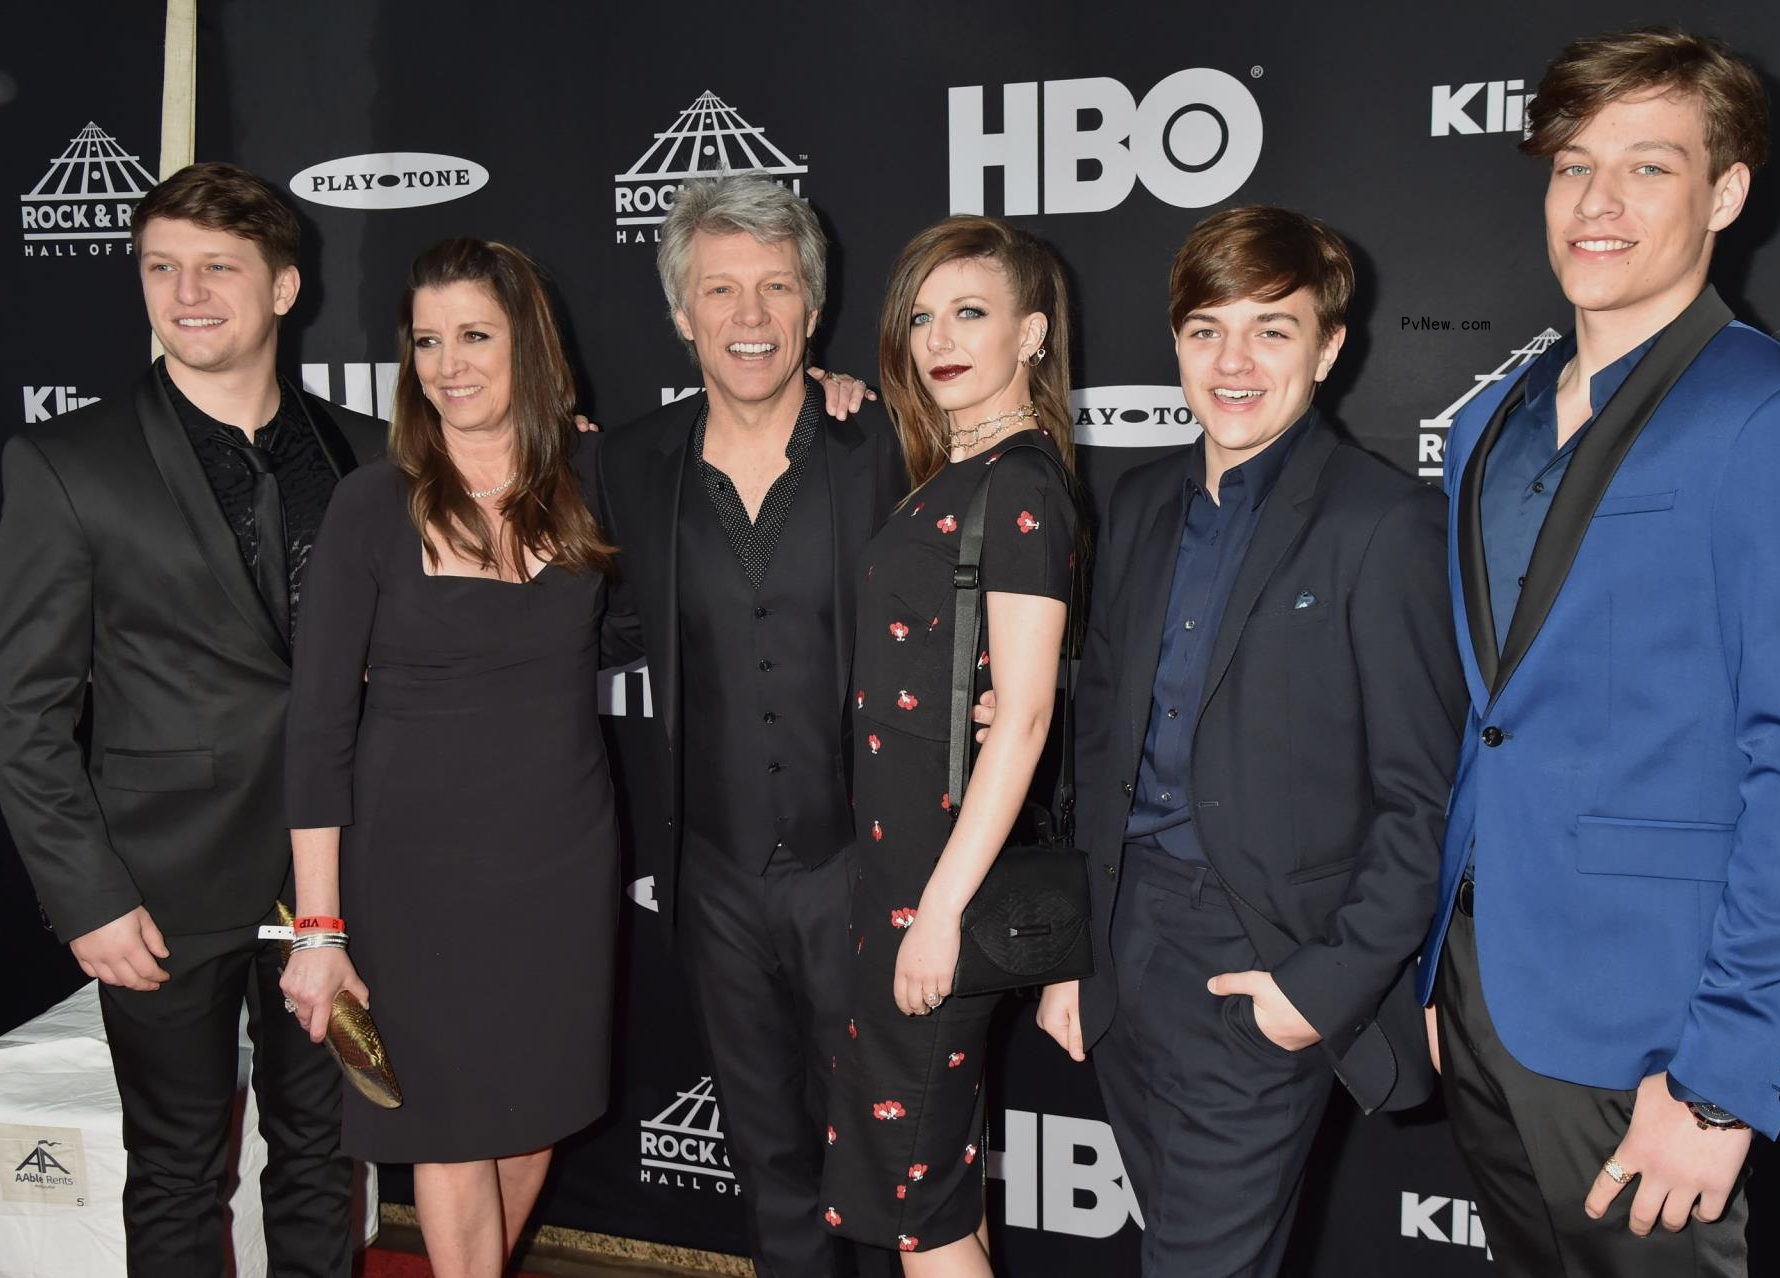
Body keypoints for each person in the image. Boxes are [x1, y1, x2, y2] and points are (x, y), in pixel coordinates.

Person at [1416, 27, 1780, 1276]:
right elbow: (1496, 720)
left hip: (1654, 1034)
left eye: (1650, 168)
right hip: (1481, 990)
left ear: (1726, 193)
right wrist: (1439, 970)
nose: (1599, 203)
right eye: (1574, 167)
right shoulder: (1487, 421)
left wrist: (1727, 1082)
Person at [1037, 206, 1465, 1277]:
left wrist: (1315, 991)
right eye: (1206, 330)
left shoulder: (1383, 523)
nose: (1233, 362)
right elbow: (1095, 749)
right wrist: (1069, 952)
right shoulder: (1132, 505)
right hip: (1123, 954)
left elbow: (1427, 803)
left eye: (1272, 330)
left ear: (1328, 347)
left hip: (1260, 961)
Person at [0, 162, 382, 1277]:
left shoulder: (376, 453)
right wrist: (90, 898)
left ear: (285, 287)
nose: (186, 293)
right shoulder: (68, 462)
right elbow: (21, 706)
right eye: (162, 267)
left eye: (217, 268)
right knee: (173, 1169)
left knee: (322, 1153)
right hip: (159, 888)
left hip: (336, 883)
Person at [280, 237, 621, 1277]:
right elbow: (318, 724)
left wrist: (832, 393)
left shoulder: (594, 483)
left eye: (474, 335)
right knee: (444, 1128)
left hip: (562, 864)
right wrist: (320, 928)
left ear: (530, 346)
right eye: (427, 341)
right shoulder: (372, 507)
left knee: (529, 1121)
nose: (447, 363)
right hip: (413, 876)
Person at [593, 174, 903, 1278]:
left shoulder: (887, 447)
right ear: (682, 315)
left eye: (777, 287)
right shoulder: (624, 466)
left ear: (813, 309)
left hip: (861, 872)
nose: (751, 316)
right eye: (721, 291)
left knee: (896, 1158)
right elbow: (578, 623)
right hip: (714, 876)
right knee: (771, 1161)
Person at [820, 215, 1080, 1275]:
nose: (940, 336)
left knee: (920, 1215)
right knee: (930, 1191)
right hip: (901, 870)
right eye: (922, 316)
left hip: (938, 885)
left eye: (970, 311)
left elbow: (1019, 719)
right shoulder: (954, 473)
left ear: (1031, 334)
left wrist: (936, 916)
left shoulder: (1018, 485)